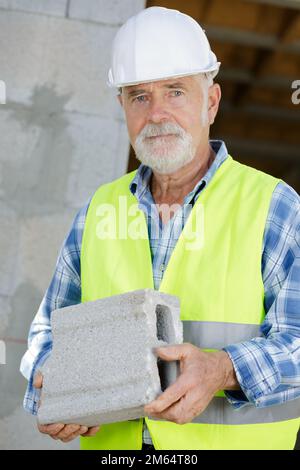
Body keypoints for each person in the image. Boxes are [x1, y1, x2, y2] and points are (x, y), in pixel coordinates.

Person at [20, 6, 300, 450]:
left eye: (175, 92)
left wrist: (223, 369)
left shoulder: (274, 206)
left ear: (210, 102)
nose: (156, 114)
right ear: (123, 108)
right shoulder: (97, 211)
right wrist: (54, 389)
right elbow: (46, 335)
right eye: (139, 97)